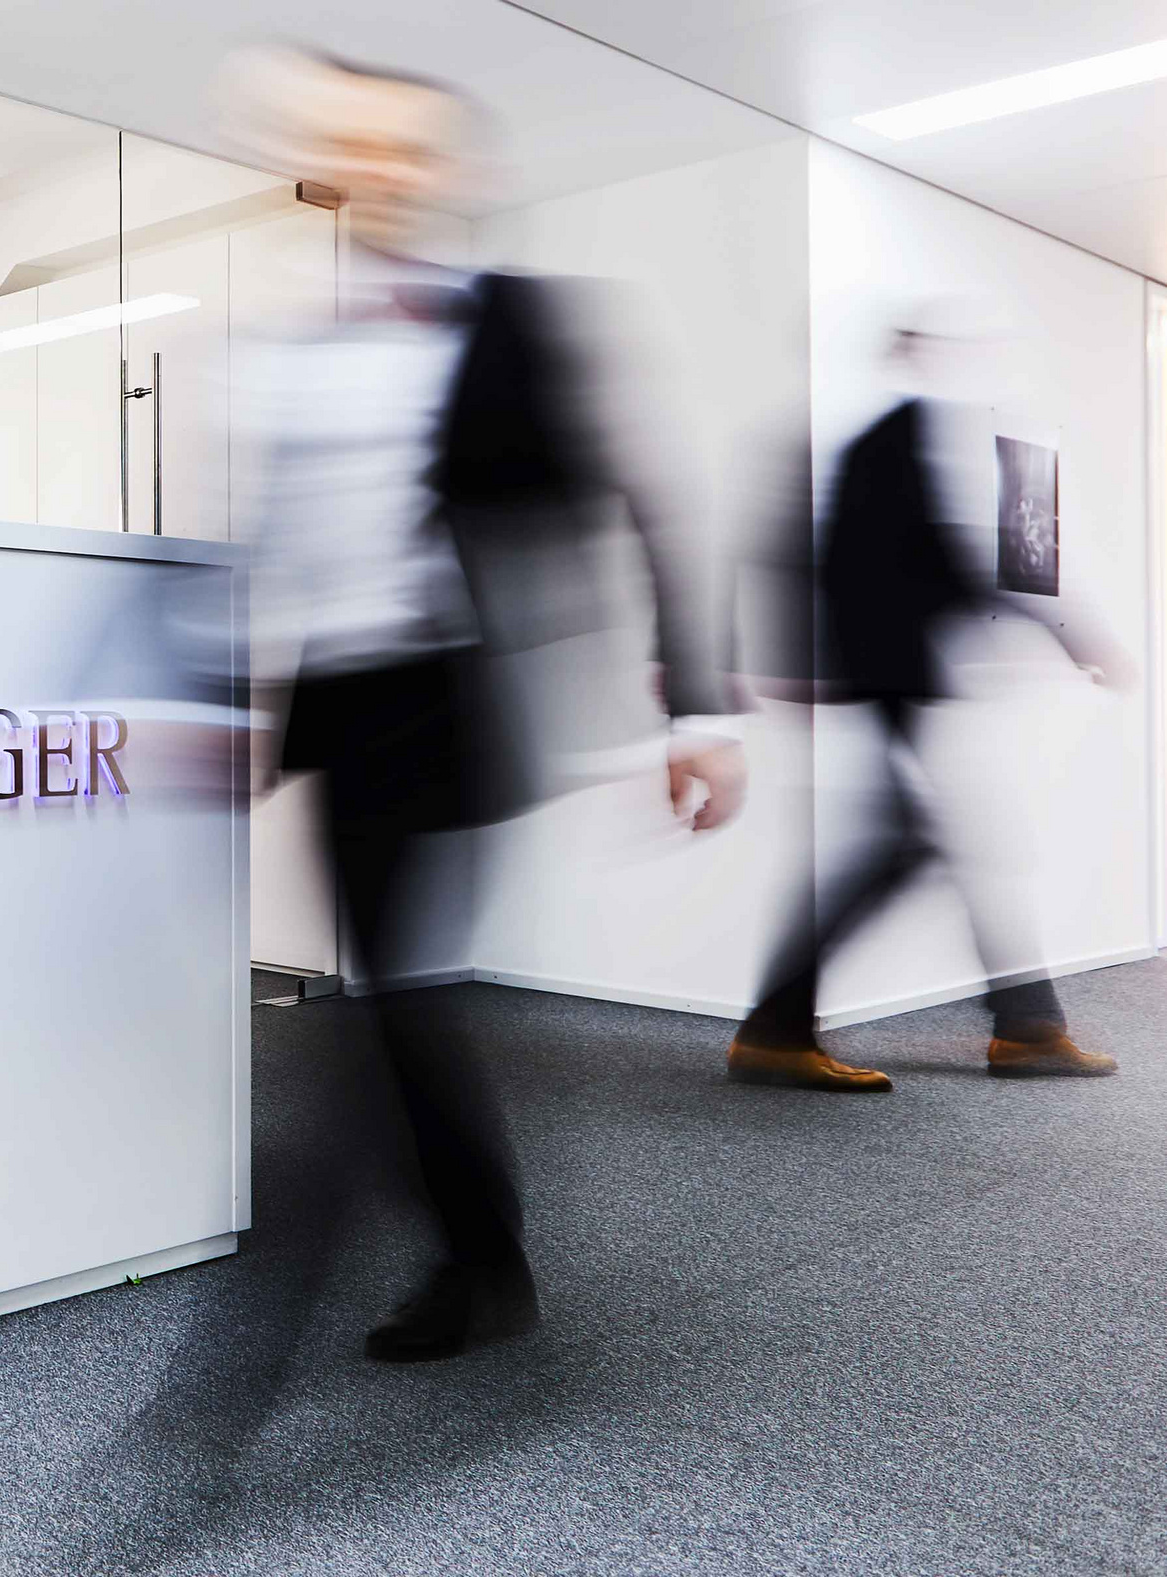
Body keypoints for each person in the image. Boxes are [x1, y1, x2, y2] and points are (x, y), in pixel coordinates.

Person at [224, 49, 747, 1360]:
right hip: (341, 706)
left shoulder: (524, 323)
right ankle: (461, 1241)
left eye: (405, 144)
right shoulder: (301, 346)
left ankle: (469, 1259)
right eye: (354, 143)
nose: (379, 165)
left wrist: (701, 713)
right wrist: (232, 704)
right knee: (382, 993)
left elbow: (653, 504)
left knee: (400, 991)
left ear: (451, 169)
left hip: (454, 696)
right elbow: (278, 542)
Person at [726, 326, 1120, 1092]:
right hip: (891, 675)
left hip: (893, 676)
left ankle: (1027, 1026)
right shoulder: (892, 438)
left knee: (957, 841)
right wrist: (1068, 633)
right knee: (922, 844)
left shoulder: (888, 437)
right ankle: (778, 1030)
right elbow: (922, 560)